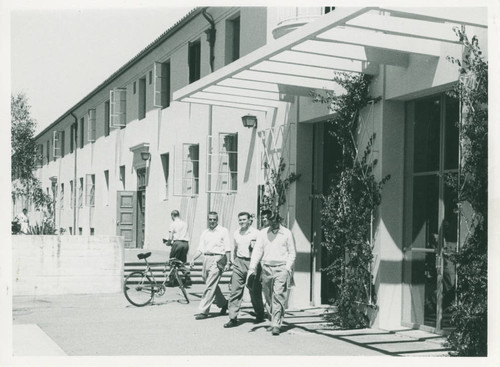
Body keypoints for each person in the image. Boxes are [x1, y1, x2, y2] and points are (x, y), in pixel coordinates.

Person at [248, 210, 296, 336]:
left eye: (273, 220)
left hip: (281, 268)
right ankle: (272, 319)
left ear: (278, 220)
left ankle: (276, 324)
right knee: (268, 296)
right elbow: (257, 251)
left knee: (278, 295)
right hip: (266, 268)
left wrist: (287, 268)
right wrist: (252, 269)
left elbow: (292, 252)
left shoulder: (287, 233)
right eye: (269, 220)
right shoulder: (263, 233)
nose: (270, 223)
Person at [223, 212, 265, 328]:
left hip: (253, 263)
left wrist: (257, 264)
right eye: (240, 220)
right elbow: (235, 248)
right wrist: (234, 261)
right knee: (235, 291)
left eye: (244, 220)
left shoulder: (256, 233)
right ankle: (233, 317)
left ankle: (260, 313)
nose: (242, 222)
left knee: (254, 290)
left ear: (249, 220)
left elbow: (261, 249)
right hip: (239, 262)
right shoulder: (236, 233)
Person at [190, 211, 231, 320]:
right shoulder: (205, 232)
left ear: (217, 220)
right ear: (208, 220)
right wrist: (193, 259)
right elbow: (200, 248)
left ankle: (203, 311)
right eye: (210, 219)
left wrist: (228, 262)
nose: (212, 221)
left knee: (209, 285)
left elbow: (227, 248)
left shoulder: (223, 231)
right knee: (210, 283)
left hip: (218, 259)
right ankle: (224, 303)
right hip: (206, 258)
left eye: (214, 219)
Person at [163, 210, 192, 286]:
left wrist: (168, 243)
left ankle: (172, 281)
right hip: (185, 244)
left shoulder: (173, 224)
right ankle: (187, 275)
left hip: (177, 244)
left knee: (172, 262)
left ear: (172, 216)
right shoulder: (185, 224)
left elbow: (170, 237)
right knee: (180, 262)